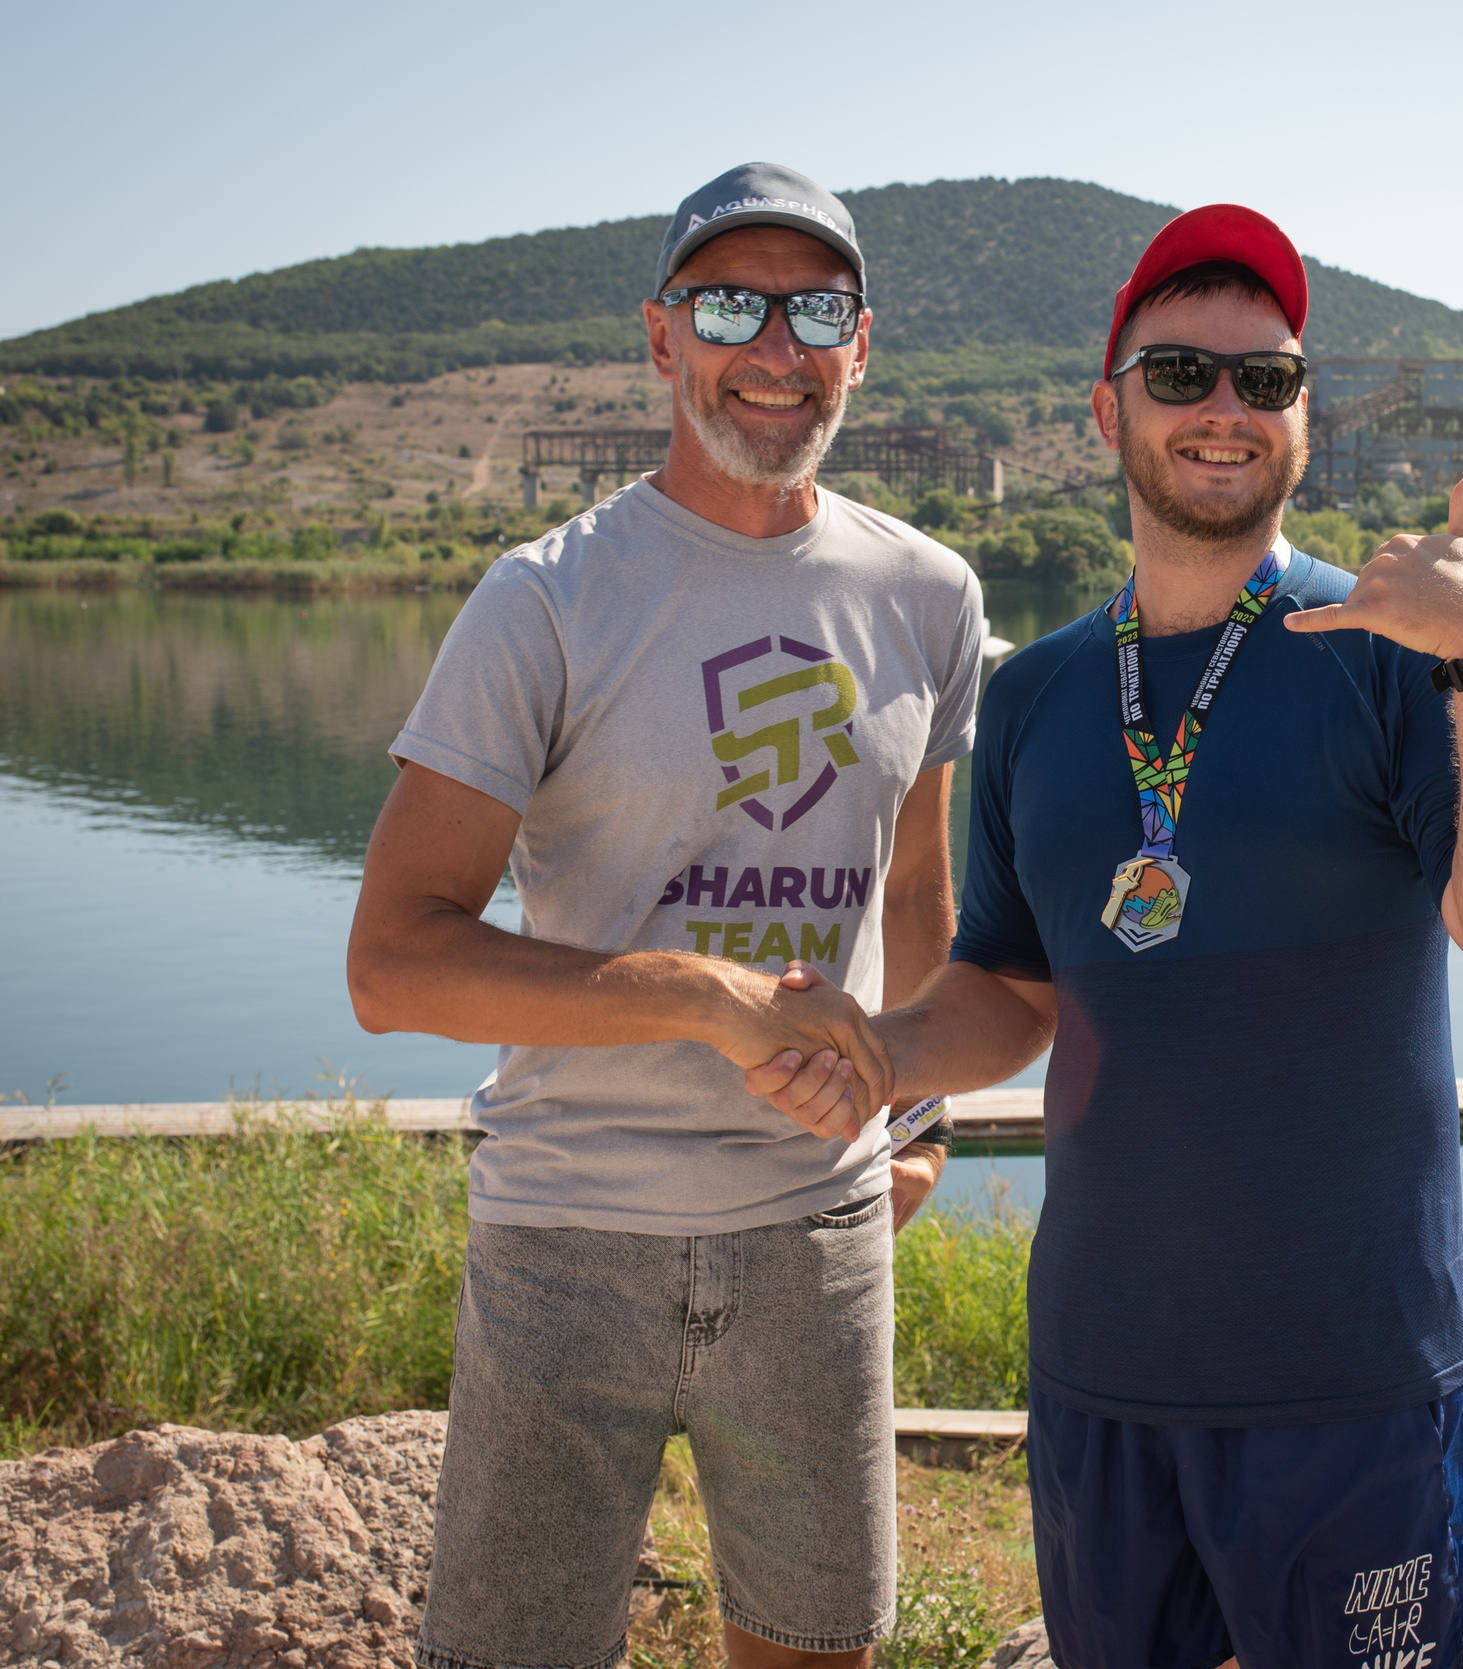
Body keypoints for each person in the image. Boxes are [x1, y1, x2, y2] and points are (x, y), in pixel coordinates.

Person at [755, 204, 1463, 1669]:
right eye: (1180, 373)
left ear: (1303, 421)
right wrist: (880, 1054)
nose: (1223, 409)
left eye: (1263, 381)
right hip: (1107, 1377)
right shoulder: (1039, 698)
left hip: (1352, 1381)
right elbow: (1012, 986)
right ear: (1107, 407)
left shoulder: (1400, 656)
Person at [345, 160, 981, 1669]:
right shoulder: (546, 599)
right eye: (730, 304)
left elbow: (918, 891)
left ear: (863, 342)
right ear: (662, 337)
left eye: (814, 307)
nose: (775, 344)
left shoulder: (929, 596)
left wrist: (920, 1107)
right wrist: (701, 994)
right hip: (568, 1235)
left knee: (818, 1650)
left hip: (817, 1236)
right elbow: (393, 958)